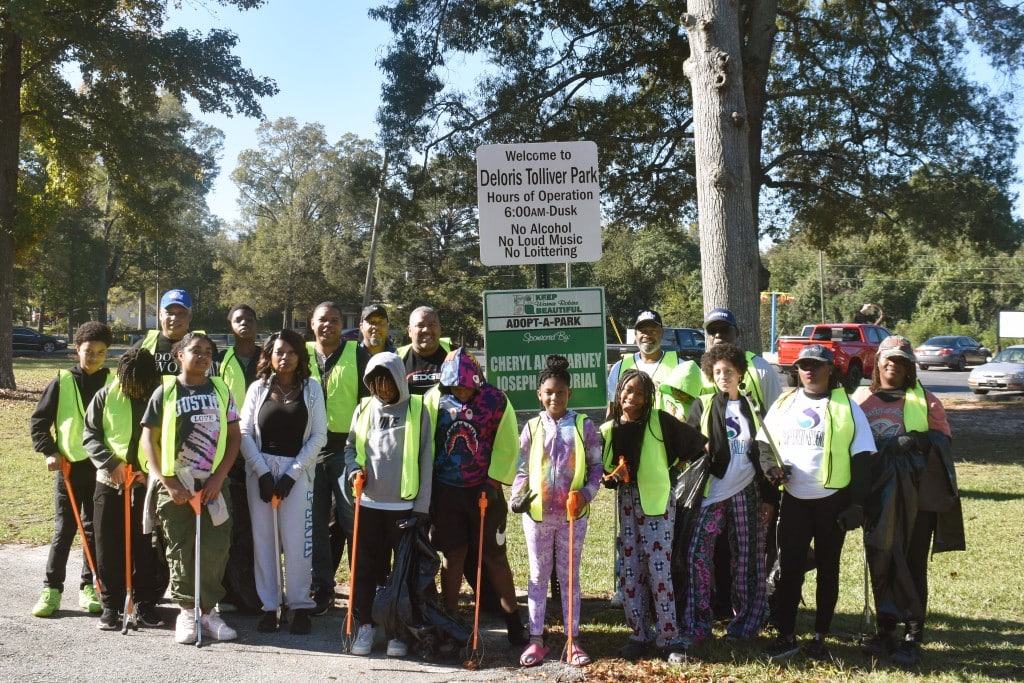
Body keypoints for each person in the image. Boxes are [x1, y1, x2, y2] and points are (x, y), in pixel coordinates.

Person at [757, 344, 876, 661]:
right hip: (794, 500)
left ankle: (820, 637)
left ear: (830, 370)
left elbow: (863, 458)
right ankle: (786, 635)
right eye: (804, 365)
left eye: (817, 365)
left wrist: (857, 505)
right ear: (796, 369)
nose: (809, 370)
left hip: (832, 503)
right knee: (790, 570)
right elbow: (763, 445)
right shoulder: (784, 403)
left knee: (828, 570)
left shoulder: (847, 407)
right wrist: (772, 471)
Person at [853, 335, 964, 667]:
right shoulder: (860, 400)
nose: (893, 364)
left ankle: (913, 634)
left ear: (909, 367)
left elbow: (944, 443)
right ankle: (885, 629)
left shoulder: (925, 401)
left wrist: (917, 439)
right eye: (888, 358)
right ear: (877, 362)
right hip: (875, 496)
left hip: (915, 498)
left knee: (912, 564)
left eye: (900, 361)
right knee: (881, 559)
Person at [141, 332, 241, 645]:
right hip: (177, 484)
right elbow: (148, 439)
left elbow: (235, 436)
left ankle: (209, 613)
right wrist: (166, 481)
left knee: (215, 549)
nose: (203, 356)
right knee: (181, 549)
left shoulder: (222, 389)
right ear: (179, 356)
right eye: (195, 351)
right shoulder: (166, 391)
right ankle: (186, 612)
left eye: (208, 352)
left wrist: (217, 477)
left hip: (213, 483)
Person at [601, 368, 706, 664]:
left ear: (649, 398)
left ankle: (669, 638)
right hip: (628, 503)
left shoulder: (659, 421)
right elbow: (605, 470)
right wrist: (613, 476)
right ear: (618, 392)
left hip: (657, 503)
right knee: (631, 571)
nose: (631, 398)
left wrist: (670, 470)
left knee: (659, 571)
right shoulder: (611, 429)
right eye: (627, 390)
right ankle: (639, 634)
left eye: (639, 393)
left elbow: (696, 445)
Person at [428, 347, 527, 645]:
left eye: (465, 385)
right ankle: (450, 618)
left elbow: (508, 441)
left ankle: (513, 621)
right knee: (453, 554)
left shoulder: (496, 400)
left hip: (484, 492)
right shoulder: (435, 399)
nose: (460, 390)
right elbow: (427, 441)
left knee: (494, 556)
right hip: (447, 492)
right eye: (455, 385)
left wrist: (494, 480)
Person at [509, 355, 603, 668]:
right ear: (539, 394)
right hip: (536, 517)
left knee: (569, 577)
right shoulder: (532, 427)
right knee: (537, 576)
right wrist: (516, 497)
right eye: (549, 392)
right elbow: (522, 468)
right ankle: (536, 639)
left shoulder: (583, 425)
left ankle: (572, 640)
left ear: (569, 394)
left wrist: (587, 495)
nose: (554, 397)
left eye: (560, 392)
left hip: (571, 518)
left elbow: (596, 466)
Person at [682, 343, 774, 647]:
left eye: (729, 372)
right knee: (698, 555)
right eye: (717, 372)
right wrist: (702, 447)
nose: (723, 376)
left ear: (740, 374)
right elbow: (687, 444)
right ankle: (698, 622)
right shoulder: (703, 403)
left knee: (748, 558)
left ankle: (747, 621)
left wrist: (768, 496)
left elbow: (763, 449)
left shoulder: (752, 406)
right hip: (712, 491)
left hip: (746, 489)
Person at [343, 351, 433, 657]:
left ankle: (398, 631)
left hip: (403, 508)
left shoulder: (417, 409)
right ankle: (364, 626)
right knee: (365, 568)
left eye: (388, 384)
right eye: (376, 384)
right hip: (368, 504)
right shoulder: (364, 408)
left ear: (399, 381)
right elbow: (350, 449)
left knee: (403, 573)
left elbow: (426, 459)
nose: (382, 391)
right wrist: (354, 470)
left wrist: (422, 507)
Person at [239, 329, 327, 635]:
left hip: (297, 474)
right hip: (260, 471)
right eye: (279, 352)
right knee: (264, 541)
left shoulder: (312, 389)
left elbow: (319, 436)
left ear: (300, 356)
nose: (285, 357)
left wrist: (292, 474)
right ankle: (270, 606)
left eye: (291, 352)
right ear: (270, 356)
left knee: (297, 543)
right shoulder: (257, 389)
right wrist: (262, 472)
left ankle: (300, 606)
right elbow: (245, 433)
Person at [306, 302, 389, 615]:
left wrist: (364, 454)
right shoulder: (302, 354)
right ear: (312, 324)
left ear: (343, 325)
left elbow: (372, 406)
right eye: (322, 320)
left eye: (335, 319)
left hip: (346, 448)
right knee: (315, 525)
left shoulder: (357, 353)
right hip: (311, 449)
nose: (328, 325)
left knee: (354, 521)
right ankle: (321, 588)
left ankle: (363, 588)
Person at [700, 306, 782, 620]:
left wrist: (770, 486)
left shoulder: (759, 369)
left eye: (725, 330)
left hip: (752, 477)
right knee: (717, 547)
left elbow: (773, 421)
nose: (718, 335)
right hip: (716, 480)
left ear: (738, 334)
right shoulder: (704, 370)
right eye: (713, 331)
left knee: (751, 548)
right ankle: (720, 604)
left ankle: (756, 607)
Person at [30, 322, 113, 618]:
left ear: (106, 354)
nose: (93, 358)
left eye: (100, 353)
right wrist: (50, 452)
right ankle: (52, 588)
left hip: (101, 469)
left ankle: (87, 585)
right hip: (68, 466)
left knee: (94, 530)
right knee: (64, 529)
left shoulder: (112, 385)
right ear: (78, 349)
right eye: (88, 352)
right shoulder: (62, 381)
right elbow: (39, 422)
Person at [84, 348, 165, 630]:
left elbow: (170, 436)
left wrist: (151, 469)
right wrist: (111, 463)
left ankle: (145, 603)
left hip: (146, 483)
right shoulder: (105, 396)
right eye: (131, 383)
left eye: (141, 384)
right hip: (111, 482)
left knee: (146, 546)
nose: (135, 389)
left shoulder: (160, 395)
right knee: (108, 544)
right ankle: (111, 605)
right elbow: (91, 435)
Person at [215, 303, 262, 615]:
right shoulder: (220, 359)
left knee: (257, 525)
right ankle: (230, 591)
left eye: (249, 318)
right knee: (233, 524)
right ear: (230, 325)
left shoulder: (268, 355)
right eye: (238, 319)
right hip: (229, 449)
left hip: (263, 448)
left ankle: (261, 590)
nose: (244, 323)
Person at [606, 310, 679, 412]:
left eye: (653, 330)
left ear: (662, 333)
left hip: (666, 428)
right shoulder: (619, 368)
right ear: (635, 334)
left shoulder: (679, 366)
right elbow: (612, 410)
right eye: (643, 330)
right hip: (630, 428)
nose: (647, 335)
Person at [136, 289, 202, 376]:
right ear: (160, 315)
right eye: (169, 313)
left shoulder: (204, 347)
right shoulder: (143, 346)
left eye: (181, 313)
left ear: (190, 316)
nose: (174, 318)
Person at [397, 306, 452, 396]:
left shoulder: (457, 355)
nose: (426, 330)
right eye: (420, 325)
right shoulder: (396, 358)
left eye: (432, 325)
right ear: (409, 331)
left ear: (440, 329)